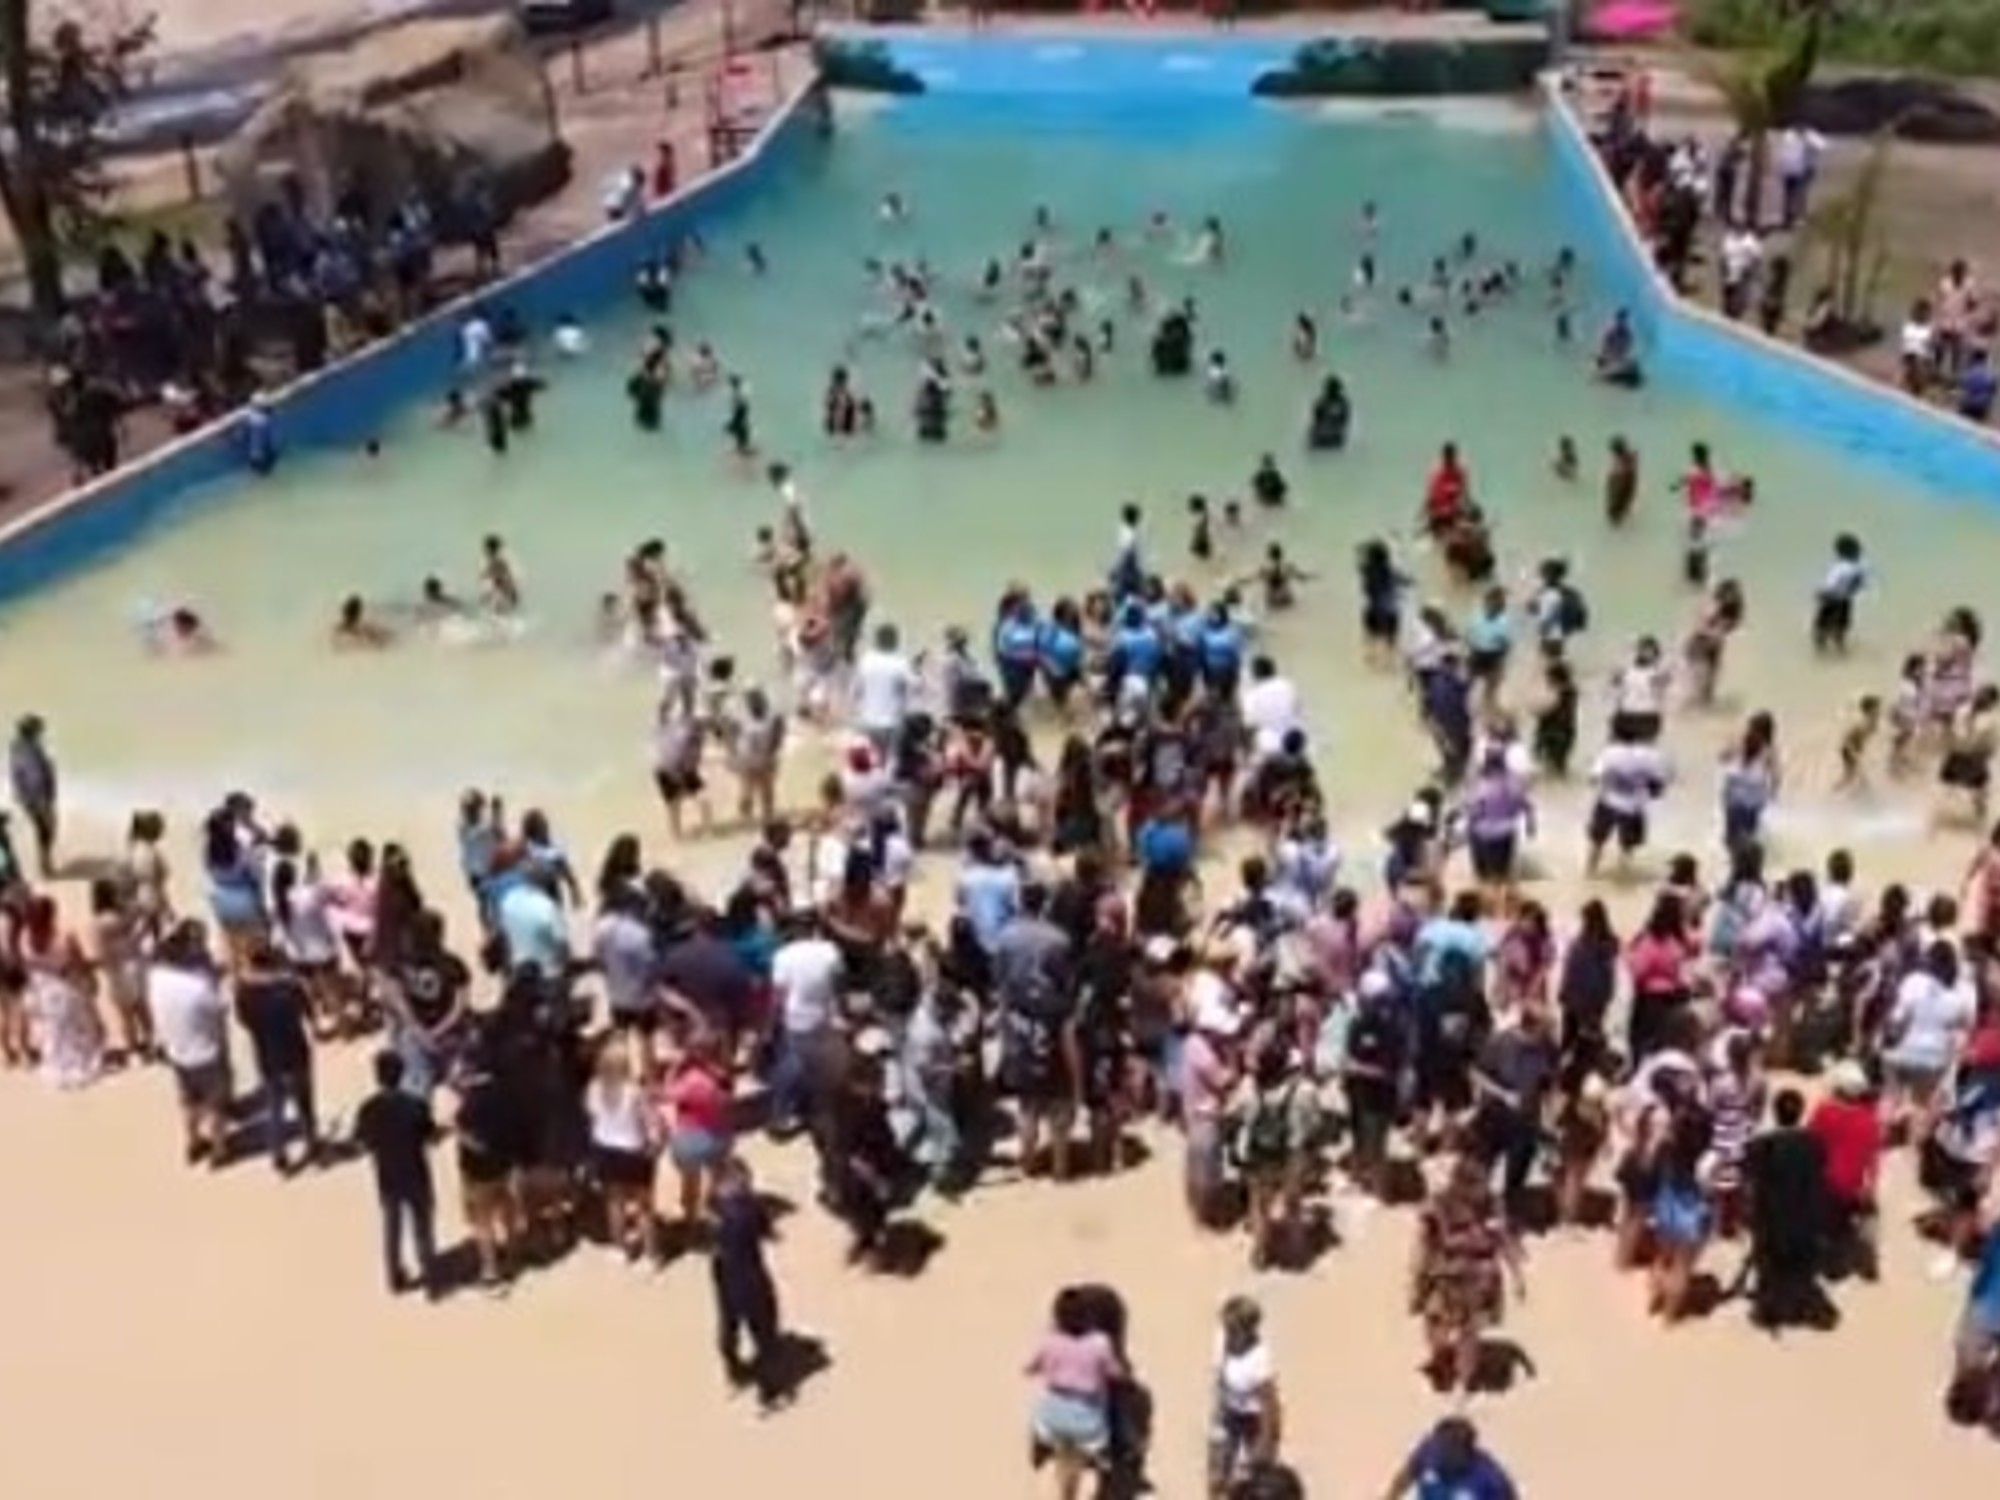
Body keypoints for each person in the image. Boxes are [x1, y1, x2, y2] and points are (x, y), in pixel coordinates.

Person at [352, 1049, 442, 1298]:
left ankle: (394, 1276)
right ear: (401, 1074)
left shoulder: (368, 1109)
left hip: (387, 1176)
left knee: (392, 1227)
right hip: (416, 1171)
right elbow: (431, 1137)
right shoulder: (415, 1105)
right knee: (422, 1228)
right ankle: (431, 1278)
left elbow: (360, 1142)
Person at [1741, 1087, 1830, 1329]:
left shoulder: (1761, 1144)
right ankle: (1797, 1307)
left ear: (1775, 1112)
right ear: (1801, 1112)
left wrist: (1748, 1214)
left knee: (1769, 1265)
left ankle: (1769, 1311)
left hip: (1772, 1215)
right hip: (1805, 1213)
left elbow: (1749, 1182)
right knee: (1800, 1264)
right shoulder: (1815, 1142)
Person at [1027, 1285, 1126, 1500]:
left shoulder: (1049, 1341)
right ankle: (1106, 1460)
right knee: (1105, 1408)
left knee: (1042, 1410)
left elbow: (1032, 1368)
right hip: (1088, 1425)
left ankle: (1041, 1450)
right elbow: (1115, 1373)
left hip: (1053, 1421)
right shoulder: (1100, 1343)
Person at [146, 919, 231, 1164]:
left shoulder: (158, 977)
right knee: (216, 1104)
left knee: (188, 1101)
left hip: (177, 1051)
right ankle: (219, 1150)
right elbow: (220, 1008)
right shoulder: (198, 986)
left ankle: (193, 1142)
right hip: (206, 1052)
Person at [234, 936, 321, 1174]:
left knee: (275, 1106)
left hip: (267, 1054)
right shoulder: (290, 986)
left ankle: (279, 1154)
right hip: (295, 1050)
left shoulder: (245, 992)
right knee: (305, 1102)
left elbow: (243, 1021)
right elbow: (309, 1012)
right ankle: (312, 1143)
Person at [710, 1155, 790, 1409]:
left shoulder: (715, 1209)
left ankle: (734, 1372)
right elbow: (767, 1231)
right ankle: (769, 1391)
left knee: (728, 1324)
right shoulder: (749, 1209)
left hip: (723, 1274)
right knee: (764, 1331)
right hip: (750, 1277)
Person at [1209, 1296, 1282, 1498]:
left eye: (1233, 1330)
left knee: (1255, 1472)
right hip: (1230, 1414)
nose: (1227, 1334)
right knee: (1219, 1469)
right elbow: (1220, 1380)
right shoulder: (1223, 1342)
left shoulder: (1259, 1360)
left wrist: (1264, 1442)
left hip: (1253, 1420)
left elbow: (1269, 1405)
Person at [1380, 1416, 1518, 1499]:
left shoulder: (1492, 1480)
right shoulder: (1429, 1449)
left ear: (1469, 1450)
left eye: (1452, 1449)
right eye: (1441, 1446)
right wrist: (1390, 1496)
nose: (1443, 1453)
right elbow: (1406, 1475)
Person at [7, 713, 58, 877]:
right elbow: (34, 774)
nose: (41, 732)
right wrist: (43, 797)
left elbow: (17, 772)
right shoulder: (28, 749)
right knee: (47, 828)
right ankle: (45, 861)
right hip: (37, 795)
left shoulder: (19, 747)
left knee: (43, 827)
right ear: (31, 731)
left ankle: (45, 859)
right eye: (38, 729)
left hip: (29, 795)